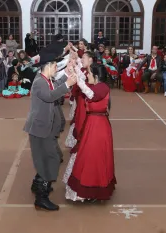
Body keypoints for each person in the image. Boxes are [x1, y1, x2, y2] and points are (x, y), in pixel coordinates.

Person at [23, 47, 77, 211]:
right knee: (50, 159)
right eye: (55, 66)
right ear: (47, 66)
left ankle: (39, 185)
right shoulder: (40, 82)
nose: (56, 69)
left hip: (44, 127)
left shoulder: (46, 80)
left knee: (46, 158)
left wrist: (67, 75)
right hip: (40, 128)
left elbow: (54, 88)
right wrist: (68, 84)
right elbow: (49, 96)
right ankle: (41, 196)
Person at [63, 64, 116, 202]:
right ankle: (89, 190)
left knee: (93, 157)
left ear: (97, 76)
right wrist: (73, 73)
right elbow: (85, 88)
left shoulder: (102, 87)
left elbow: (91, 94)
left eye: (90, 74)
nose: (88, 75)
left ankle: (93, 189)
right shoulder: (94, 86)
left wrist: (79, 81)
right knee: (88, 155)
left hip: (99, 127)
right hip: (92, 125)